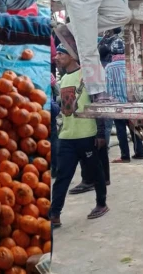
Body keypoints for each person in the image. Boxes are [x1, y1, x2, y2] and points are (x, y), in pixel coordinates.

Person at [50, 44, 110, 227]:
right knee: (62, 176)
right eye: (57, 54)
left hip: (87, 134)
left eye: (61, 53)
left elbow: (98, 104)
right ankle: (54, 213)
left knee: (96, 172)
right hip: (67, 136)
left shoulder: (87, 76)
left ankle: (101, 204)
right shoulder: (64, 79)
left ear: (72, 57)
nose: (56, 57)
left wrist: (100, 133)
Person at [106, 38, 143, 163]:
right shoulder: (132, 65)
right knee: (134, 128)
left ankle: (125, 156)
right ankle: (139, 152)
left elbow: (108, 87)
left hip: (118, 104)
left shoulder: (109, 68)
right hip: (132, 103)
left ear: (112, 52)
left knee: (121, 130)